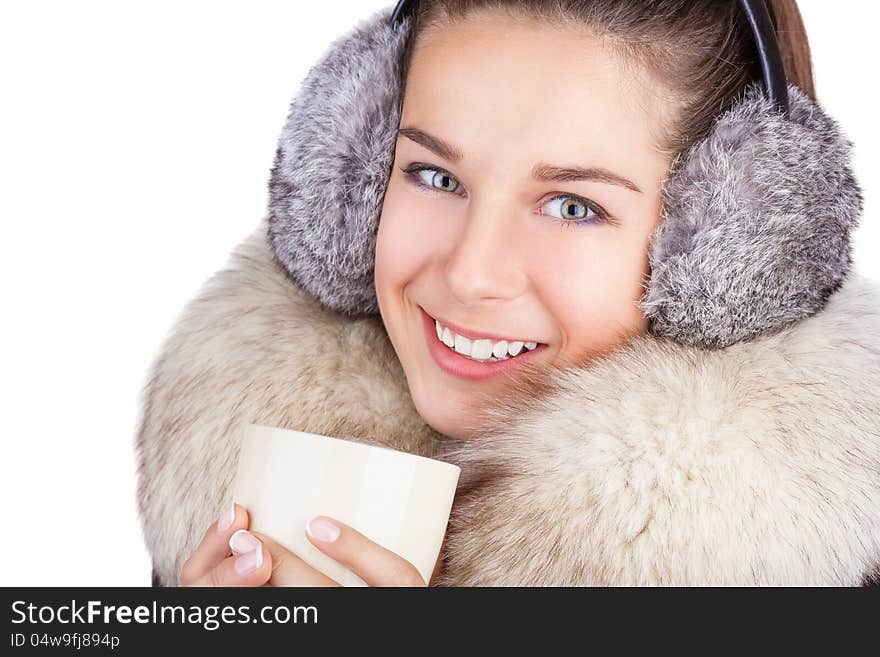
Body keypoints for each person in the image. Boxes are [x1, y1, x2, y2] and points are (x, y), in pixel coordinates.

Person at [136, 1, 880, 586]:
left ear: (734, 246)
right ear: (356, 174)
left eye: (571, 205)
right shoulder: (256, 503)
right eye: (435, 175)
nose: (469, 274)